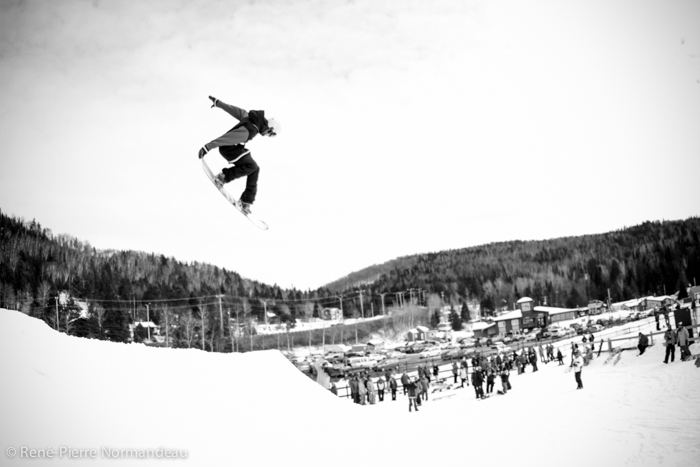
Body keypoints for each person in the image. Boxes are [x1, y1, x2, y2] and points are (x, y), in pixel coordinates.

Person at [198, 96, 280, 215]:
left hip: (233, 148)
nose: (266, 135)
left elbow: (235, 110)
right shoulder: (251, 130)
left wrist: (219, 103)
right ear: (269, 128)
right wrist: (207, 147)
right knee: (252, 167)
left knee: (254, 169)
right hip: (229, 149)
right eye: (269, 134)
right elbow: (227, 138)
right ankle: (223, 177)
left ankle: (246, 200)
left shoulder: (251, 118)